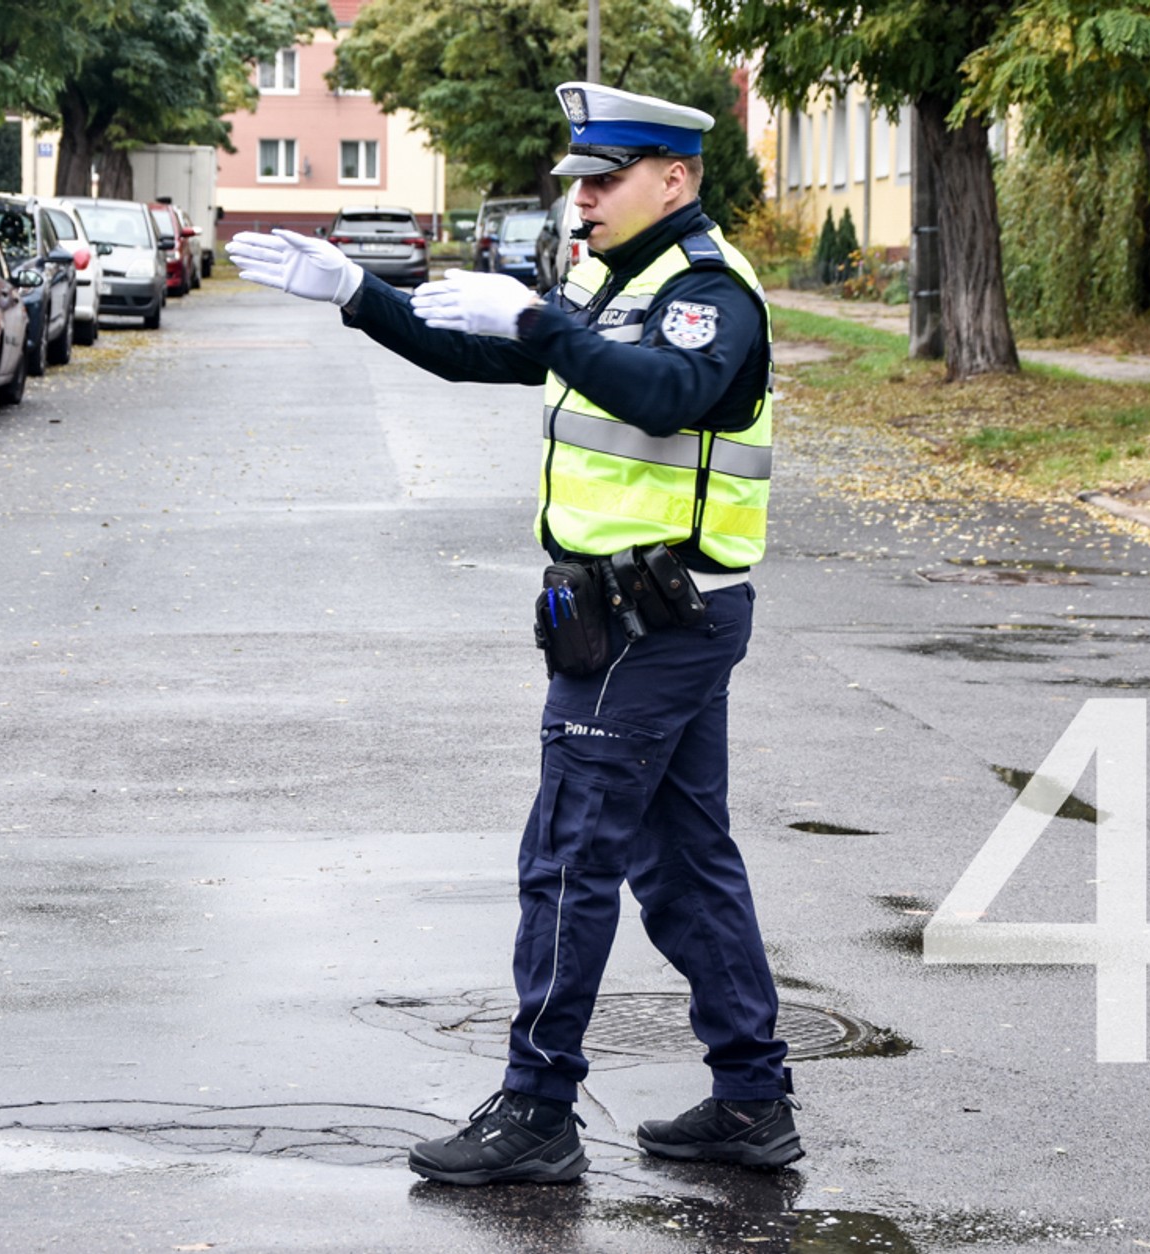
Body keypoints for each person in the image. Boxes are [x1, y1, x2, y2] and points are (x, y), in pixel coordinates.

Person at [226, 81, 800, 1184]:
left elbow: (669, 391)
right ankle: (750, 1102)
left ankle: (537, 1111)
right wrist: (359, 292)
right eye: (576, 181)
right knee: (682, 865)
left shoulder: (706, 292)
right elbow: (478, 356)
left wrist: (541, 322)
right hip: (628, 615)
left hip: (653, 619)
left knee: (568, 857)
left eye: (604, 179)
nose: (580, 199)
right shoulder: (607, 275)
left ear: (673, 179)